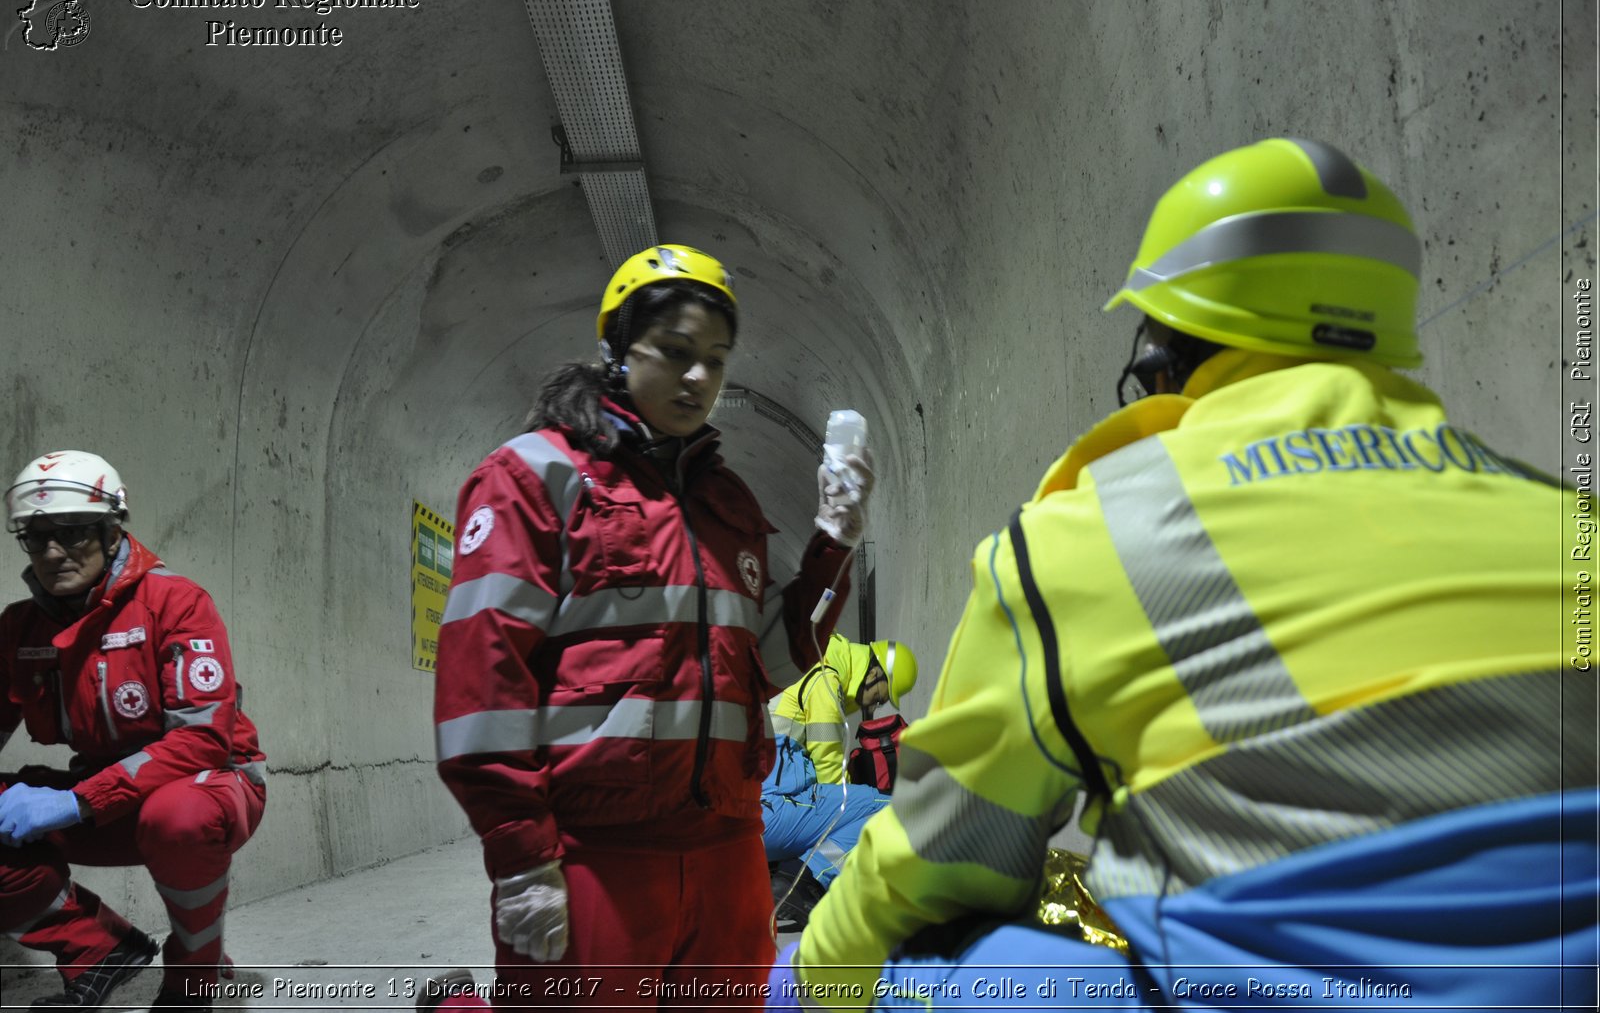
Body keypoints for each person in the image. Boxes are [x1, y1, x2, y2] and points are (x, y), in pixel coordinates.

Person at [769, 138, 1597, 1011]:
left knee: (908, 955)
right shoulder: (1561, 517)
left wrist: (815, 980)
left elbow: (940, 854)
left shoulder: (1087, 539)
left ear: (1168, 344)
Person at [429, 243, 871, 1010]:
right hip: (595, 849)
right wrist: (521, 856)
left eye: (716, 358)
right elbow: (483, 684)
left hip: (726, 848)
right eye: (674, 352)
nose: (698, 376)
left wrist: (833, 540)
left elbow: (762, 666)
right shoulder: (535, 477)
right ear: (615, 350)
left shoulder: (727, 503)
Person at [0, 450, 267, 1012]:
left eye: (72, 534)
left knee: (177, 816)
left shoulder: (176, 602)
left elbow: (201, 741)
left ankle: (194, 974)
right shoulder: (19, 629)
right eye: (36, 536)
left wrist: (75, 802)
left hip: (211, 786)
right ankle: (95, 947)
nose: (52, 553)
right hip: (101, 796)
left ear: (112, 528)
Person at [764, 636, 916, 908]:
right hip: (770, 804)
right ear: (873, 673)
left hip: (757, 798)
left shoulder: (811, 659)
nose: (875, 705)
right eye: (880, 695)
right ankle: (805, 879)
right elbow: (829, 767)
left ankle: (792, 873)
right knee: (888, 808)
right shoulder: (825, 680)